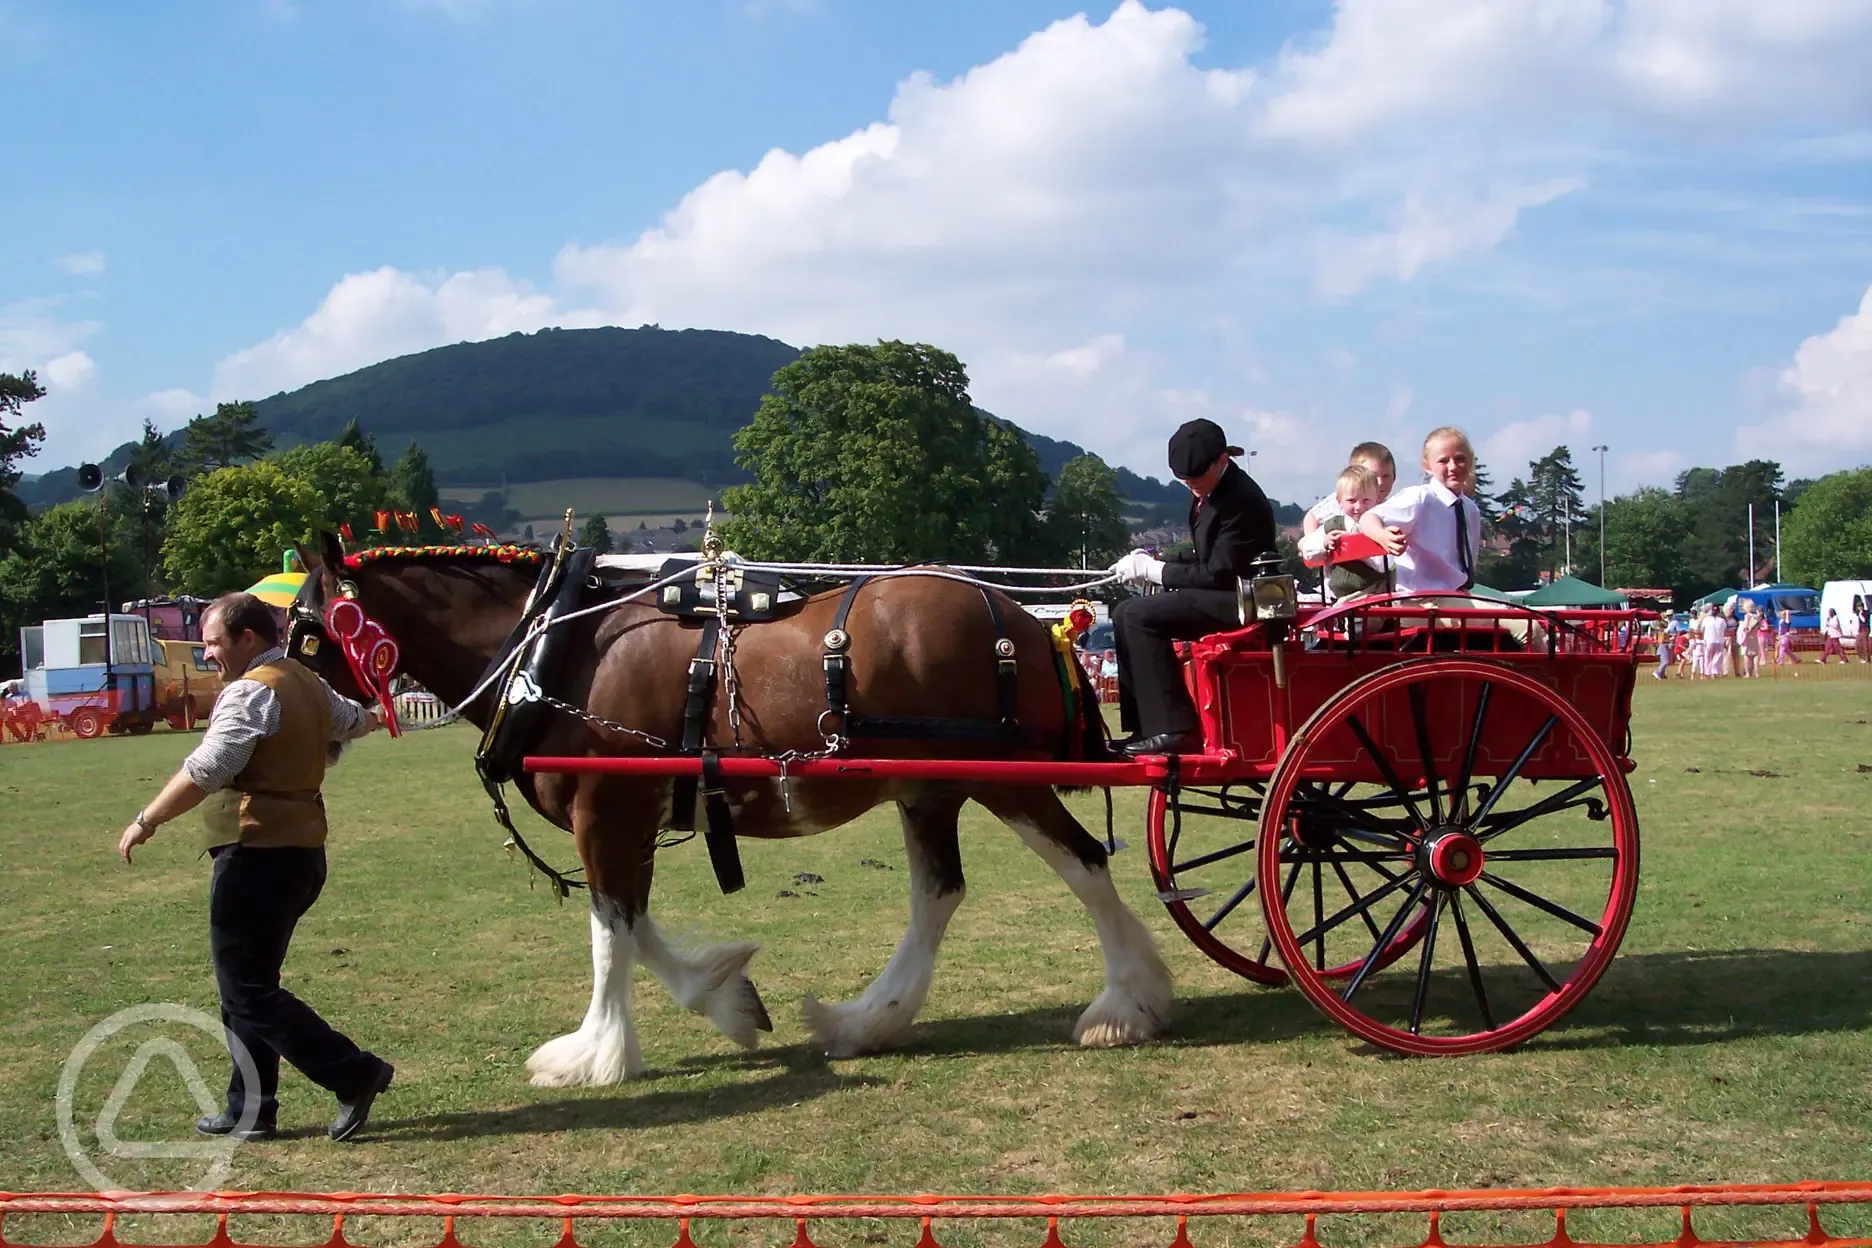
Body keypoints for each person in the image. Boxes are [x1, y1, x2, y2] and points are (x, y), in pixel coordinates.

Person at [117, 592, 395, 1143]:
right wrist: (373, 716)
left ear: (248, 638)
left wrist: (147, 819)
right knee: (248, 984)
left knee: (247, 990)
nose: (207, 655)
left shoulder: (251, 692)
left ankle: (354, 1073)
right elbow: (351, 721)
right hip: (301, 854)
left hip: (257, 856)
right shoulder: (304, 681)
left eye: (215, 643)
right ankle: (251, 1110)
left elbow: (209, 768)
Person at [1107, 418, 1276, 756]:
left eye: (1197, 478)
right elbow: (1204, 556)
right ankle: (1146, 725)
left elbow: (1219, 573)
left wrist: (1157, 571)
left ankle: (1174, 728)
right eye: (1185, 480)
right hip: (1223, 591)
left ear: (1222, 460)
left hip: (1244, 600)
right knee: (1124, 611)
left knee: (1140, 616)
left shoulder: (1240, 500)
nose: (1192, 486)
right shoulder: (1210, 490)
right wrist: (1153, 560)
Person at [1359, 427, 1482, 594]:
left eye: (1460, 459)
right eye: (1443, 461)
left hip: (1458, 597)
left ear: (1470, 462)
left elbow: (1469, 563)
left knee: (1510, 615)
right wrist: (1383, 536)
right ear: (1427, 466)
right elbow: (1368, 518)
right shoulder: (1420, 498)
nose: (1453, 467)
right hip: (1420, 599)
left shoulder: (1471, 510)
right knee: (1509, 620)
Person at [1297, 463, 1390, 601]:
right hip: (1335, 595)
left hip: (1373, 594)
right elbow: (1308, 551)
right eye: (1351, 500)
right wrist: (1324, 543)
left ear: (1376, 499)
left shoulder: (1382, 526)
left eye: (1366, 500)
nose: (1358, 507)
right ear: (1339, 501)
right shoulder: (1333, 525)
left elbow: (1384, 566)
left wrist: (1353, 546)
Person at [1302, 442, 1397, 537]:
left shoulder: (1392, 507)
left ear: (1394, 477)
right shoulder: (1345, 499)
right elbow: (1312, 516)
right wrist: (1311, 542)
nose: (1380, 482)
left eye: (1386, 476)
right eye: (1373, 476)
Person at [1700, 603, 1728, 678]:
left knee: (1708, 657)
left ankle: (1707, 672)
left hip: (1709, 640)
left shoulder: (1706, 620)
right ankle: (1714, 672)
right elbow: (1724, 629)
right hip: (1718, 640)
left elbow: (1702, 629)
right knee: (1717, 657)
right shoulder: (1722, 620)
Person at [1855, 595, 1870, 663]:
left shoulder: (1865, 612)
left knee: (1865, 644)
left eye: (1860, 606)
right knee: (1857, 644)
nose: (1859, 608)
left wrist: (1860, 614)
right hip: (1860, 630)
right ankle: (1861, 657)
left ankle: (1867, 658)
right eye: (1858, 607)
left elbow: (1864, 620)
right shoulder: (1859, 613)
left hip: (1865, 629)